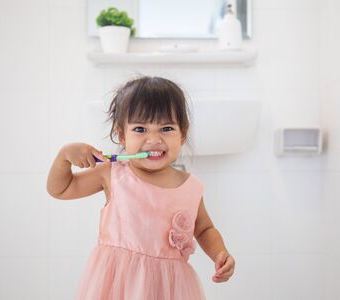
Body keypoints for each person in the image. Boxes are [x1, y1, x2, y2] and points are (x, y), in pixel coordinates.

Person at [46, 76, 235, 299]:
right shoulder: (111, 172)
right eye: (140, 129)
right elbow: (61, 188)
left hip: (170, 290)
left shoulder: (190, 187)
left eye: (166, 128)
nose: (153, 139)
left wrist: (220, 253)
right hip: (117, 285)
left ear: (182, 134)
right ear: (121, 134)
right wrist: (64, 156)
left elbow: (204, 230)